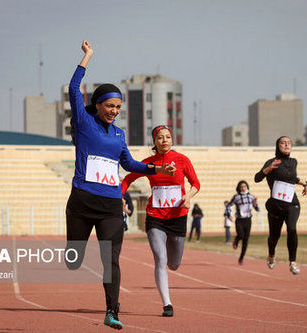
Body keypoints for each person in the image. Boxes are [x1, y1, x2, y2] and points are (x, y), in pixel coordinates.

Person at [65, 40, 175, 330]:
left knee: (111, 261)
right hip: (82, 201)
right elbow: (74, 89)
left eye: (117, 107)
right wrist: (87, 57)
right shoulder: (84, 122)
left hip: (111, 205)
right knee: (73, 260)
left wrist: (156, 167)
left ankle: (112, 311)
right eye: (109, 106)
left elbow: (129, 164)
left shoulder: (118, 134)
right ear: (98, 105)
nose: (114, 110)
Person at [121, 125, 200, 317]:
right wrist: (120, 197)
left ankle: (170, 278)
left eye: (168, 137)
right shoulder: (150, 163)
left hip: (178, 217)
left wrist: (188, 196)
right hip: (155, 217)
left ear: (172, 140)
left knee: (174, 264)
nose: (165, 140)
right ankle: (167, 304)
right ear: (154, 142)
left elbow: (196, 183)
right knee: (160, 259)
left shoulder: (182, 160)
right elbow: (127, 179)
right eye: (160, 138)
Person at [254, 136, 307, 275]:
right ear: (277, 146)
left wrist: (304, 184)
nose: (286, 145)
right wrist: (268, 169)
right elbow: (257, 178)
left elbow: (290, 178)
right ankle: (271, 254)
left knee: (291, 229)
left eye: (289, 143)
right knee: (274, 236)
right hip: (276, 205)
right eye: (283, 143)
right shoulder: (272, 162)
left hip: (292, 203)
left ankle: (293, 262)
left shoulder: (293, 162)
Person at [227, 180, 259, 265]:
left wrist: (255, 204)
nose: (243, 188)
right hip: (239, 220)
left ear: (247, 187)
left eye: (244, 186)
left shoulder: (251, 197)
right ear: (239, 188)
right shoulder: (236, 197)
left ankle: (241, 258)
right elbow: (229, 205)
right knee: (241, 235)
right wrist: (229, 215)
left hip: (248, 220)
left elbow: (257, 209)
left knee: (246, 240)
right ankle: (236, 240)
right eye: (241, 187)